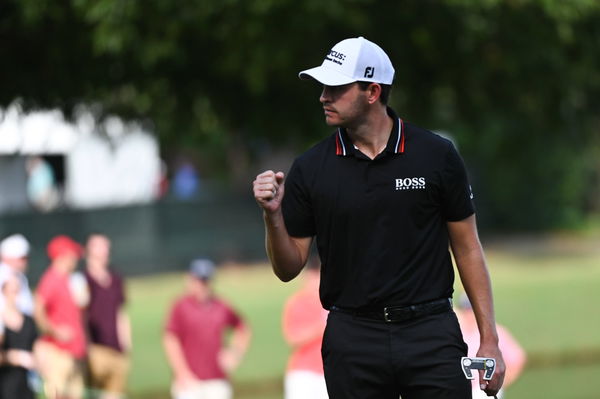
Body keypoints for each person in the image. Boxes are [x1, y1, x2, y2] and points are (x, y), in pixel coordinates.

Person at [253, 36, 505, 398]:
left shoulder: (436, 155)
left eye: (336, 87)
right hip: (353, 340)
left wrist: (489, 341)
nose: (323, 96)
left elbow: (467, 249)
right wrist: (273, 217)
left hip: (431, 333)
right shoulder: (310, 169)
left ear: (372, 91)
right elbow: (288, 267)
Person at [163, 259, 251, 399]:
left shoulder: (221, 305)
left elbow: (242, 327)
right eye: (198, 280)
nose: (202, 285)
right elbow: (170, 339)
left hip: (217, 380)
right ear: (190, 279)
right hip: (189, 382)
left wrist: (234, 353)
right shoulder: (180, 306)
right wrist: (181, 372)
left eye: (205, 280)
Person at [34, 235, 87, 399]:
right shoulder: (51, 280)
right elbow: (38, 310)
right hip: (58, 353)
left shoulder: (70, 279)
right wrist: (55, 332)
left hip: (75, 352)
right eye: (73, 254)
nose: (76, 258)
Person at [84, 233, 132, 399]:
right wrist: (87, 346)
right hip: (95, 348)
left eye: (106, 247)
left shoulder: (116, 279)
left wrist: (126, 344)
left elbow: (120, 313)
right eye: (99, 247)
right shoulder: (83, 280)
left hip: (116, 349)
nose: (104, 251)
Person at [456, 295, 526, 399]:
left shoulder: (495, 332)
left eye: (471, 309)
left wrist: (499, 383)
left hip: (483, 392)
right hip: (459, 390)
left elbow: (518, 360)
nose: (468, 313)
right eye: (465, 309)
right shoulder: (457, 331)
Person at [282, 256, 328, 399]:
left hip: (330, 371)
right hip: (304, 373)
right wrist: (319, 328)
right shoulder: (296, 303)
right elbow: (292, 338)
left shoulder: (330, 302)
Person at [0, 272, 39, 399]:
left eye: (17, 289)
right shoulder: (1, 321)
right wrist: (16, 357)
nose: (14, 293)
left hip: (26, 386)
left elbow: (36, 349)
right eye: (11, 289)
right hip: (4, 385)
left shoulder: (29, 321)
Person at [0, 234, 34, 318]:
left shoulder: (21, 277)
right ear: (7, 257)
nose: (25, 262)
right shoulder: (5, 276)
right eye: (22, 258)